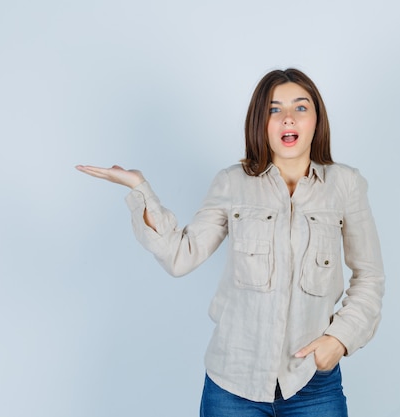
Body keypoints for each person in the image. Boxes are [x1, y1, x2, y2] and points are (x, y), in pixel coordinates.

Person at [76, 68, 384, 417]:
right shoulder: (231, 183)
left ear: (317, 119)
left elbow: (370, 276)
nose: (287, 118)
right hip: (233, 384)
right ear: (260, 121)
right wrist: (140, 189)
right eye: (273, 109)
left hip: (313, 384)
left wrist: (339, 340)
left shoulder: (346, 185)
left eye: (300, 107)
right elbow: (181, 256)